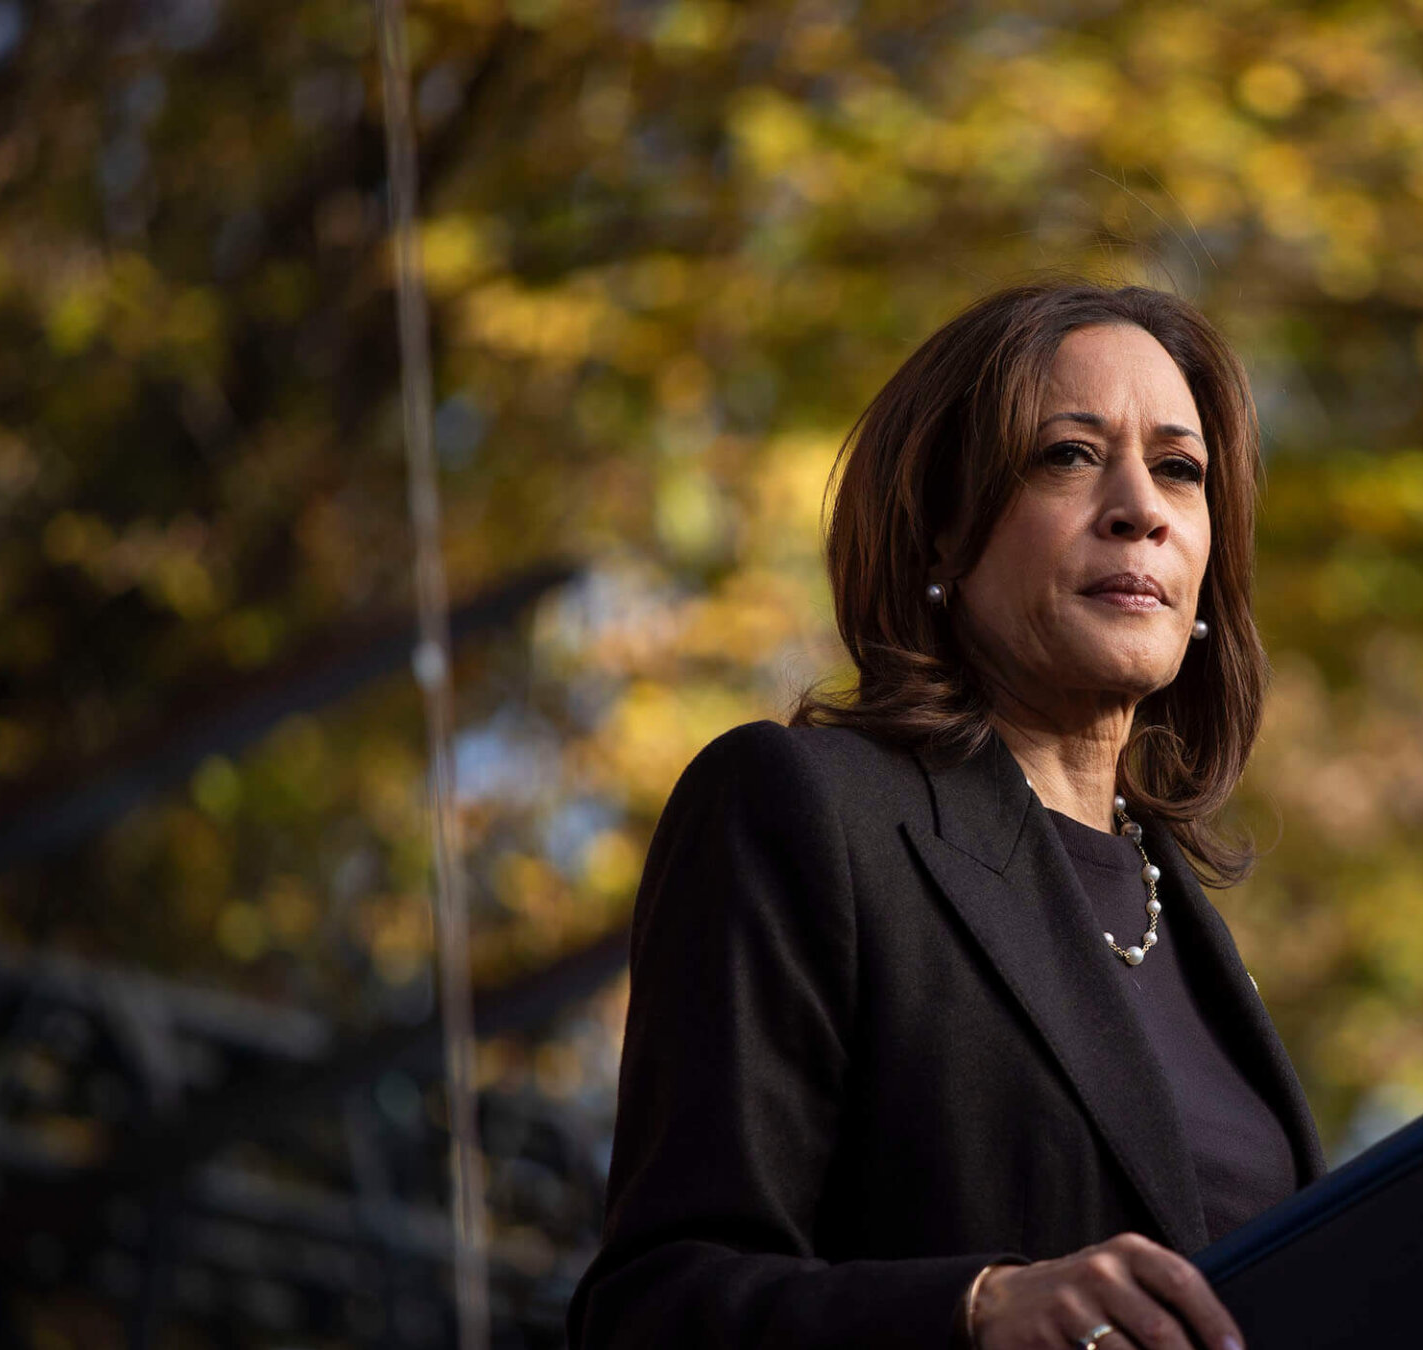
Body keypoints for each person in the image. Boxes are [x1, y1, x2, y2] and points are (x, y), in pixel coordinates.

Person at [566, 281, 1325, 1350]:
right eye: (1066, 455)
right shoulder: (805, 811)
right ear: (937, 537)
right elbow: (654, 1314)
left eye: (1180, 470)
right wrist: (974, 1314)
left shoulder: (1194, 933)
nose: (1140, 507)